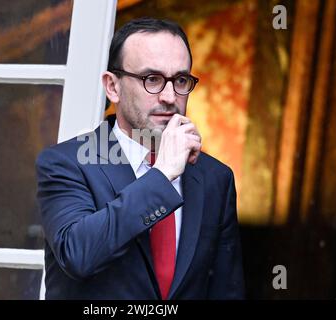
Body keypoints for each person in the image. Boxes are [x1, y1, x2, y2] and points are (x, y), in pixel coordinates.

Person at [36, 17, 244, 300]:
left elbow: (226, 290)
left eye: (180, 80)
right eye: (152, 80)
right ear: (113, 87)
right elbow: (77, 255)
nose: (170, 96)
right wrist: (163, 174)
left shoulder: (215, 178)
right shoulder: (66, 163)